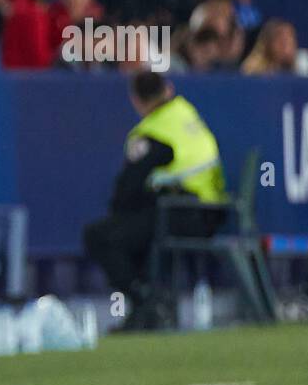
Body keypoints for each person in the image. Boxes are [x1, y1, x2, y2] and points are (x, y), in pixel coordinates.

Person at [83, 72, 225, 331]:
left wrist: (119, 211)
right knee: (135, 229)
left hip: (180, 213)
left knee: (101, 236)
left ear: (136, 100)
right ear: (168, 89)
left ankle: (146, 300)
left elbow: (128, 187)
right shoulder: (186, 113)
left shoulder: (152, 133)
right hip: (212, 211)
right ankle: (150, 309)